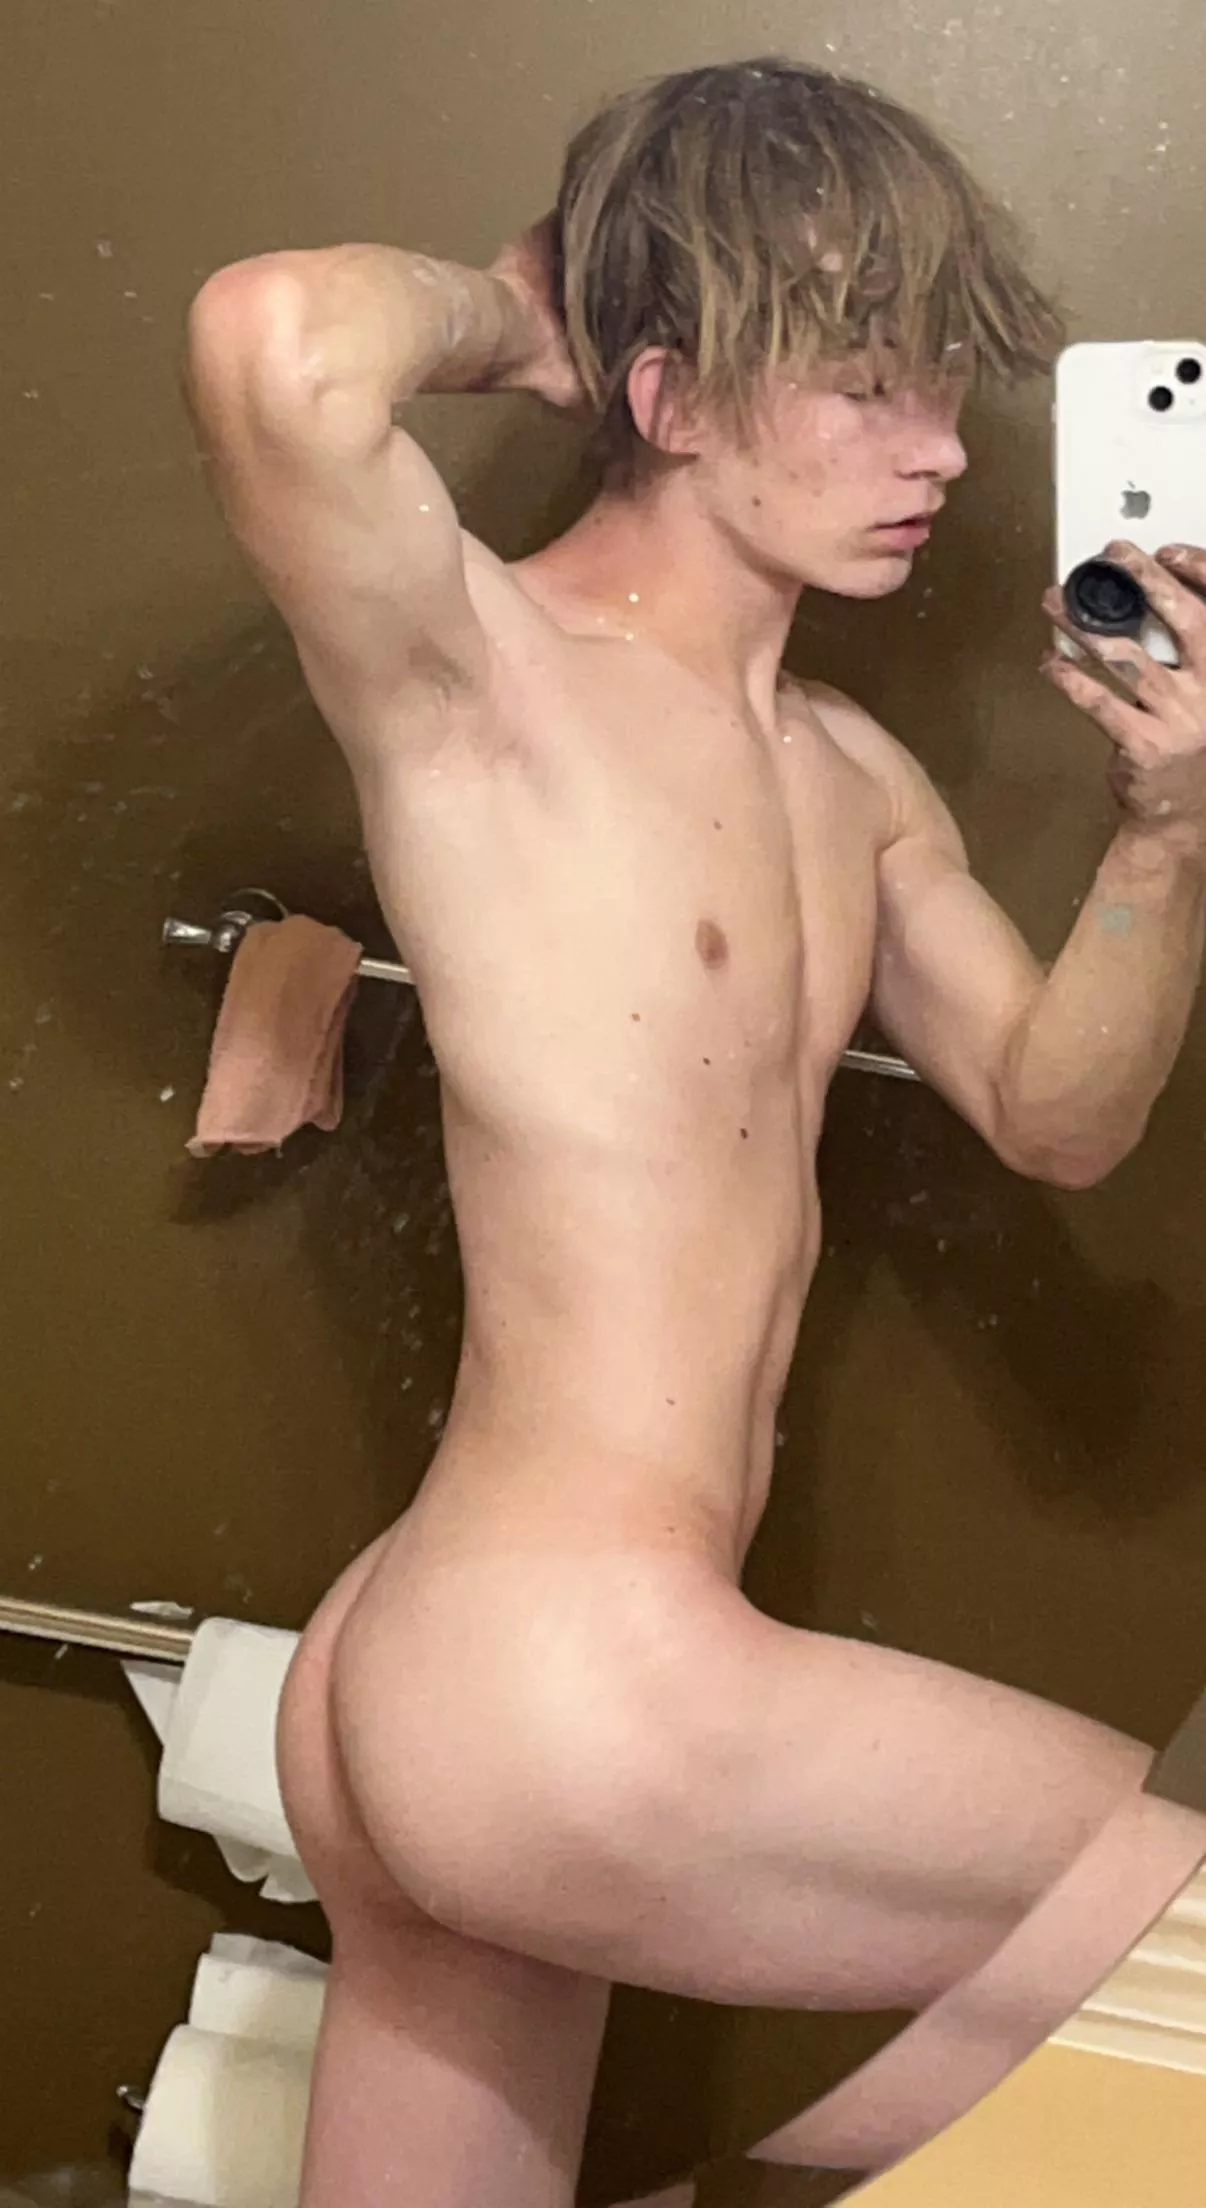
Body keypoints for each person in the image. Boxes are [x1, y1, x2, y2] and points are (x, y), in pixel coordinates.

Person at [185, 58, 1206, 2208]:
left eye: (941, 380)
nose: (941, 450)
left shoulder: (850, 776)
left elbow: (1057, 1116)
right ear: (666, 390)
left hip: (486, 1666)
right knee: (1181, 1952)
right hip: (561, 1678)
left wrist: (1167, 830)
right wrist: (511, 315)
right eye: (861, 380)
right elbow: (272, 340)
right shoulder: (491, 670)